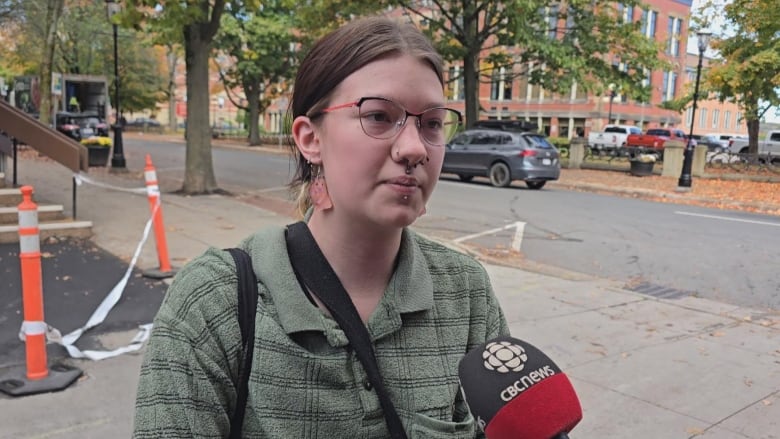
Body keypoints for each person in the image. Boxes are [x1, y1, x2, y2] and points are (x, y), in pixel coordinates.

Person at [133, 16, 509, 438]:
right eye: (380, 116)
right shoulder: (213, 303)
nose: (415, 148)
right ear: (310, 139)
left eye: (432, 123)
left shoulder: (467, 294)